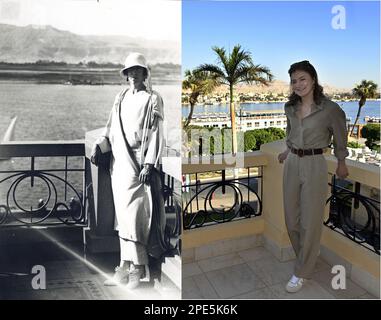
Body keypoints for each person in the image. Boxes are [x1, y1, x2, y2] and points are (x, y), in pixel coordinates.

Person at [90, 52, 167, 289]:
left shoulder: (153, 98)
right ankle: (124, 266)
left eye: (137, 71)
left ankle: (138, 269)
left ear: (145, 73)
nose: (133, 75)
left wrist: (148, 164)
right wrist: (100, 145)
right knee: (122, 220)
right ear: (126, 75)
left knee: (135, 218)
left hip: (138, 164)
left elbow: (157, 133)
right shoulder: (121, 97)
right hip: (119, 164)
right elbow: (110, 126)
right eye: (129, 71)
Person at [278, 60, 349, 293]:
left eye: (302, 79)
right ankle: (306, 257)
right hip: (292, 162)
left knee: (310, 219)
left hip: (315, 164)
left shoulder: (329, 109)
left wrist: (341, 161)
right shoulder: (289, 108)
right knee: (291, 218)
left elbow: (340, 135)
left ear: (313, 80)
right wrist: (288, 150)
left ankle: (302, 272)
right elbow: (291, 133)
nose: (298, 84)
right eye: (294, 80)